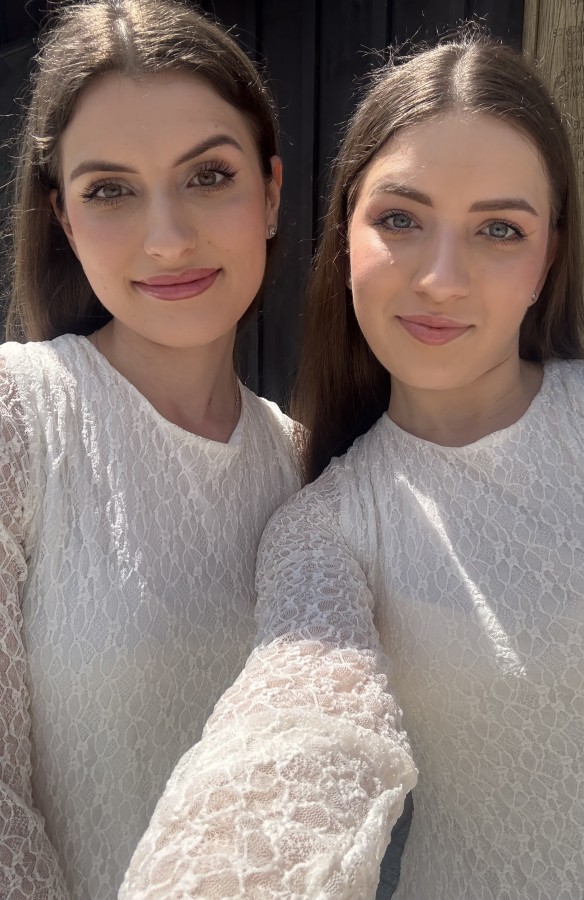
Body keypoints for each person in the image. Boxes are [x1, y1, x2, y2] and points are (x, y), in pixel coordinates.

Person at [120, 33, 584, 899]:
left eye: (498, 229)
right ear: (345, 234)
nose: (441, 280)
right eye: (400, 220)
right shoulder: (321, 530)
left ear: (548, 257)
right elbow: (291, 727)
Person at [0, 1, 302, 897]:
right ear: (62, 217)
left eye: (208, 175)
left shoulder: (308, 466)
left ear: (270, 192)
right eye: (110, 190)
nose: (168, 238)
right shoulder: (19, 418)